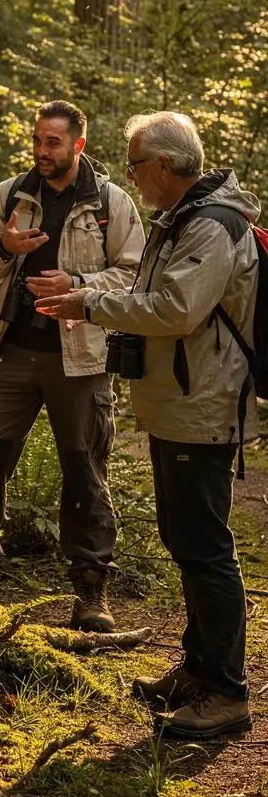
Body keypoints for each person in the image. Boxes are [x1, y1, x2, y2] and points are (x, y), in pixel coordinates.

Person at [36, 111, 259, 740]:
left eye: (135, 164)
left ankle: (226, 693)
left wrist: (88, 302)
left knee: (205, 547)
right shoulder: (183, 218)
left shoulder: (213, 225)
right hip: (179, 403)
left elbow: (176, 309)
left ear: (163, 164)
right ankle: (199, 668)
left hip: (203, 404)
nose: (131, 176)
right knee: (186, 539)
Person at [0, 99, 145, 632]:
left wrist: (78, 288)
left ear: (78, 145)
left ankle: (89, 593)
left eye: (52, 142)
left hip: (81, 358)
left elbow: (134, 275)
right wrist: (5, 246)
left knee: (84, 471)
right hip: (11, 352)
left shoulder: (110, 202)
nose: (41, 151)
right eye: (37, 140)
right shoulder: (11, 194)